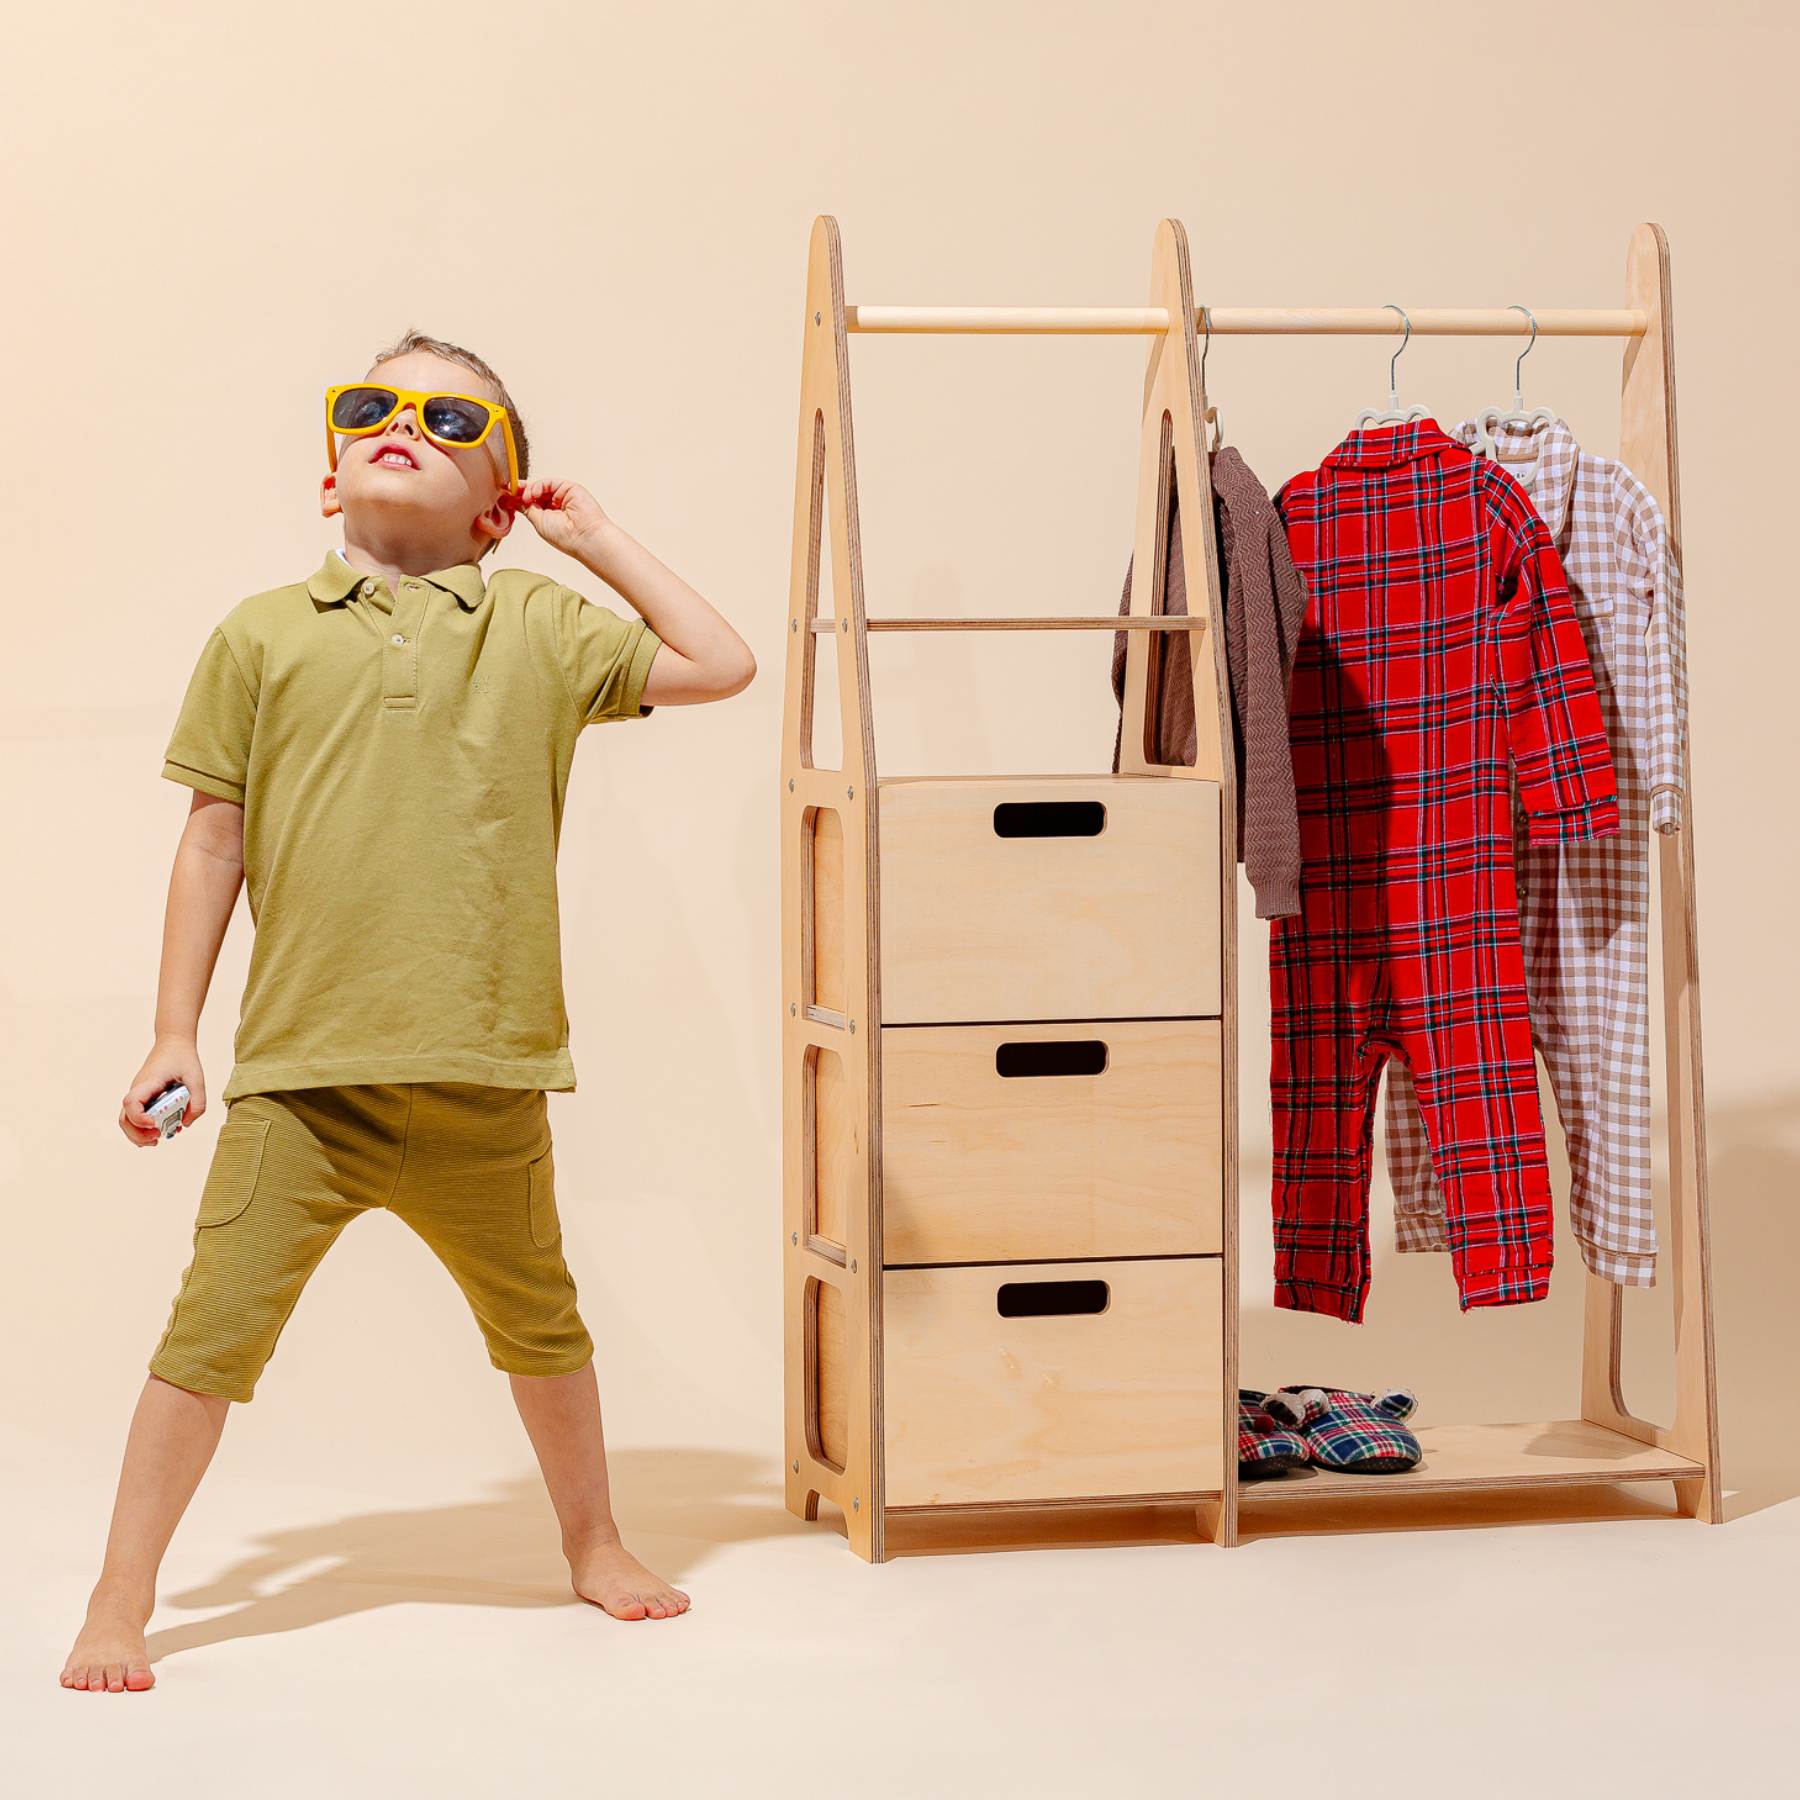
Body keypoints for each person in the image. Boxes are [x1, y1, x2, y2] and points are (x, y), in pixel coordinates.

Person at [61, 331, 756, 1692]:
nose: (406, 424)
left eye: (452, 419)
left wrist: (593, 539)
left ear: (499, 507)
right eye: (374, 405)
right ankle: (119, 1593)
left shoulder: (539, 626)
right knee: (205, 1339)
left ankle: (595, 1539)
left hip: (485, 1078)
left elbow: (720, 661)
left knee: (543, 1328)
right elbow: (212, 842)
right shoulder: (259, 634)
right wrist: (173, 1031)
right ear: (332, 473)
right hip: (302, 1086)